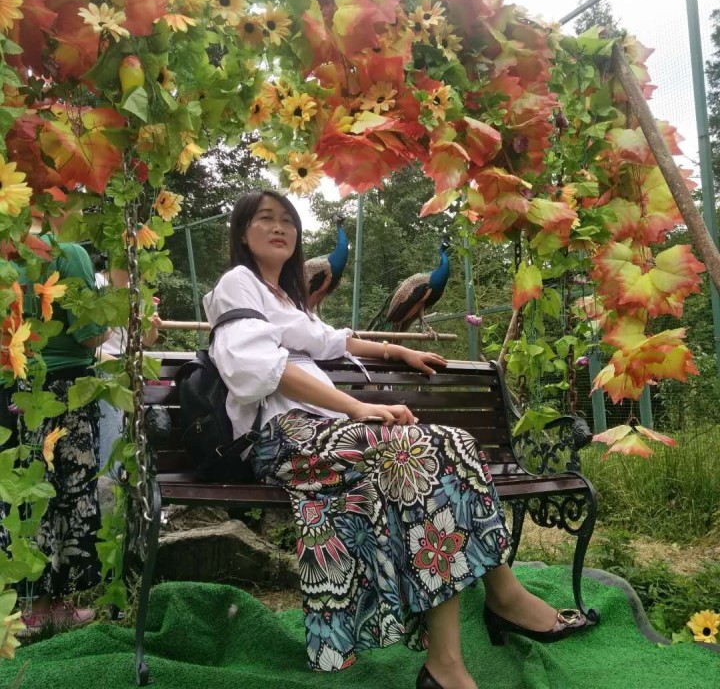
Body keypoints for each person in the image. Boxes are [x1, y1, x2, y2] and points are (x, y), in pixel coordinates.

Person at [204, 190, 591, 689]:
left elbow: (333, 340)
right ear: (242, 232)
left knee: (452, 444)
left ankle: (482, 618)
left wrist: (398, 351)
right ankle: (476, 631)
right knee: (419, 451)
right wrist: (357, 407)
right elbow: (257, 368)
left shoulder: (287, 299)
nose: (280, 227)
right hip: (282, 438)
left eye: (288, 220)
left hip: (325, 431)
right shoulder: (237, 284)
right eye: (265, 218)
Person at [1, 209, 110, 632]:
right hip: (63, 390)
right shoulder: (67, 254)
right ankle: (52, 604)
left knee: (19, 491)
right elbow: (89, 334)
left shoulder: (6, 256)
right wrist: (116, 315)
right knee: (67, 492)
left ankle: (18, 604)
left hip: (10, 389)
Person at [92, 256, 162, 468]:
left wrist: (152, 325)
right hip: (102, 361)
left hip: (129, 365)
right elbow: (87, 336)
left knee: (128, 432)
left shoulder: (139, 291)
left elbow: (148, 341)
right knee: (111, 427)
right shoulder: (96, 283)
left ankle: (119, 478)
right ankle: (108, 479)